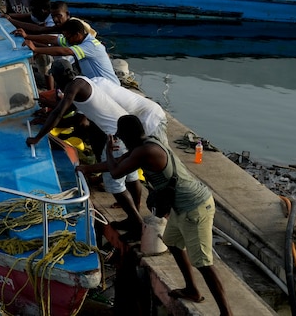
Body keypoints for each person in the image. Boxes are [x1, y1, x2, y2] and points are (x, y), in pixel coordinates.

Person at [101, 115, 231, 316]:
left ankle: (226, 312)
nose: (121, 141)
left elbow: (116, 171)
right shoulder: (146, 144)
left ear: (128, 135)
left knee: (203, 263)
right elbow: (117, 164)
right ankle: (192, 289)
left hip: (194, 207)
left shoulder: (146, 151)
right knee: (172, 242)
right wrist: (84, 168)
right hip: (180, 206)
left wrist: (108, 152)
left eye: (122, 137)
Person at [27, 69, 144, 235]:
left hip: (116, 136)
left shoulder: (72, 87)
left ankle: (137, 223)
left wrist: (37, 137)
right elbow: (69, 112)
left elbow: (59, 112)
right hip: (127, 131)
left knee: (114, 183)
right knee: (131, 177)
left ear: (59, 78)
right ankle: (136, 214)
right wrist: (45, 118)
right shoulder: (83, 81)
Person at [22, 17, 119, 86]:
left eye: (67, 37)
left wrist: (36, 49)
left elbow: (64, 51)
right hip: (95, 84)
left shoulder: (91, 45)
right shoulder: (75, 40)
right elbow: (52, 39)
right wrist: (26, 36)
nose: (66, 40)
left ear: (77, 35)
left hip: (109, 86)